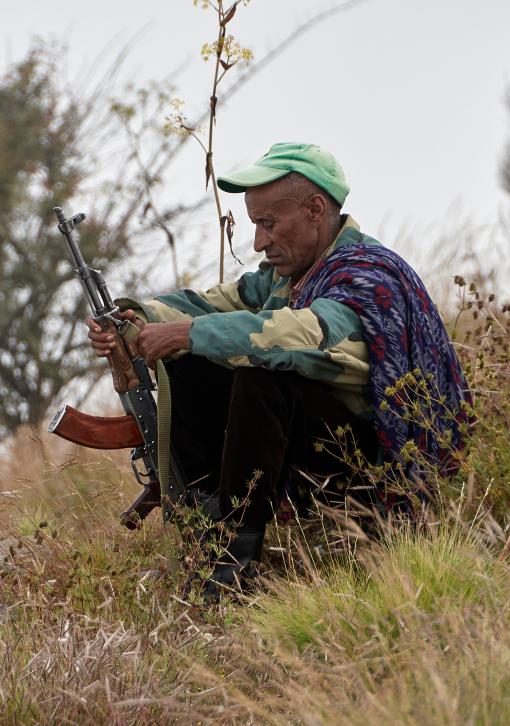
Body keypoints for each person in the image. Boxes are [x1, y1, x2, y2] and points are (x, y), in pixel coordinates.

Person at [87, 142, 471, 601]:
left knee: (261, 373)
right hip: (310, 451)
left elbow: (301, 336)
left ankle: (231, 569)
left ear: (314, 210)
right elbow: (212, 304)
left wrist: (189, 333)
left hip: (371, 470)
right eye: (255, 226)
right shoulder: (285, 276)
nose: (259, 242)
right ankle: (206, 527)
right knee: (193, 352)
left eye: (269, 224)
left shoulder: (364, 277)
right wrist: (137, 320)